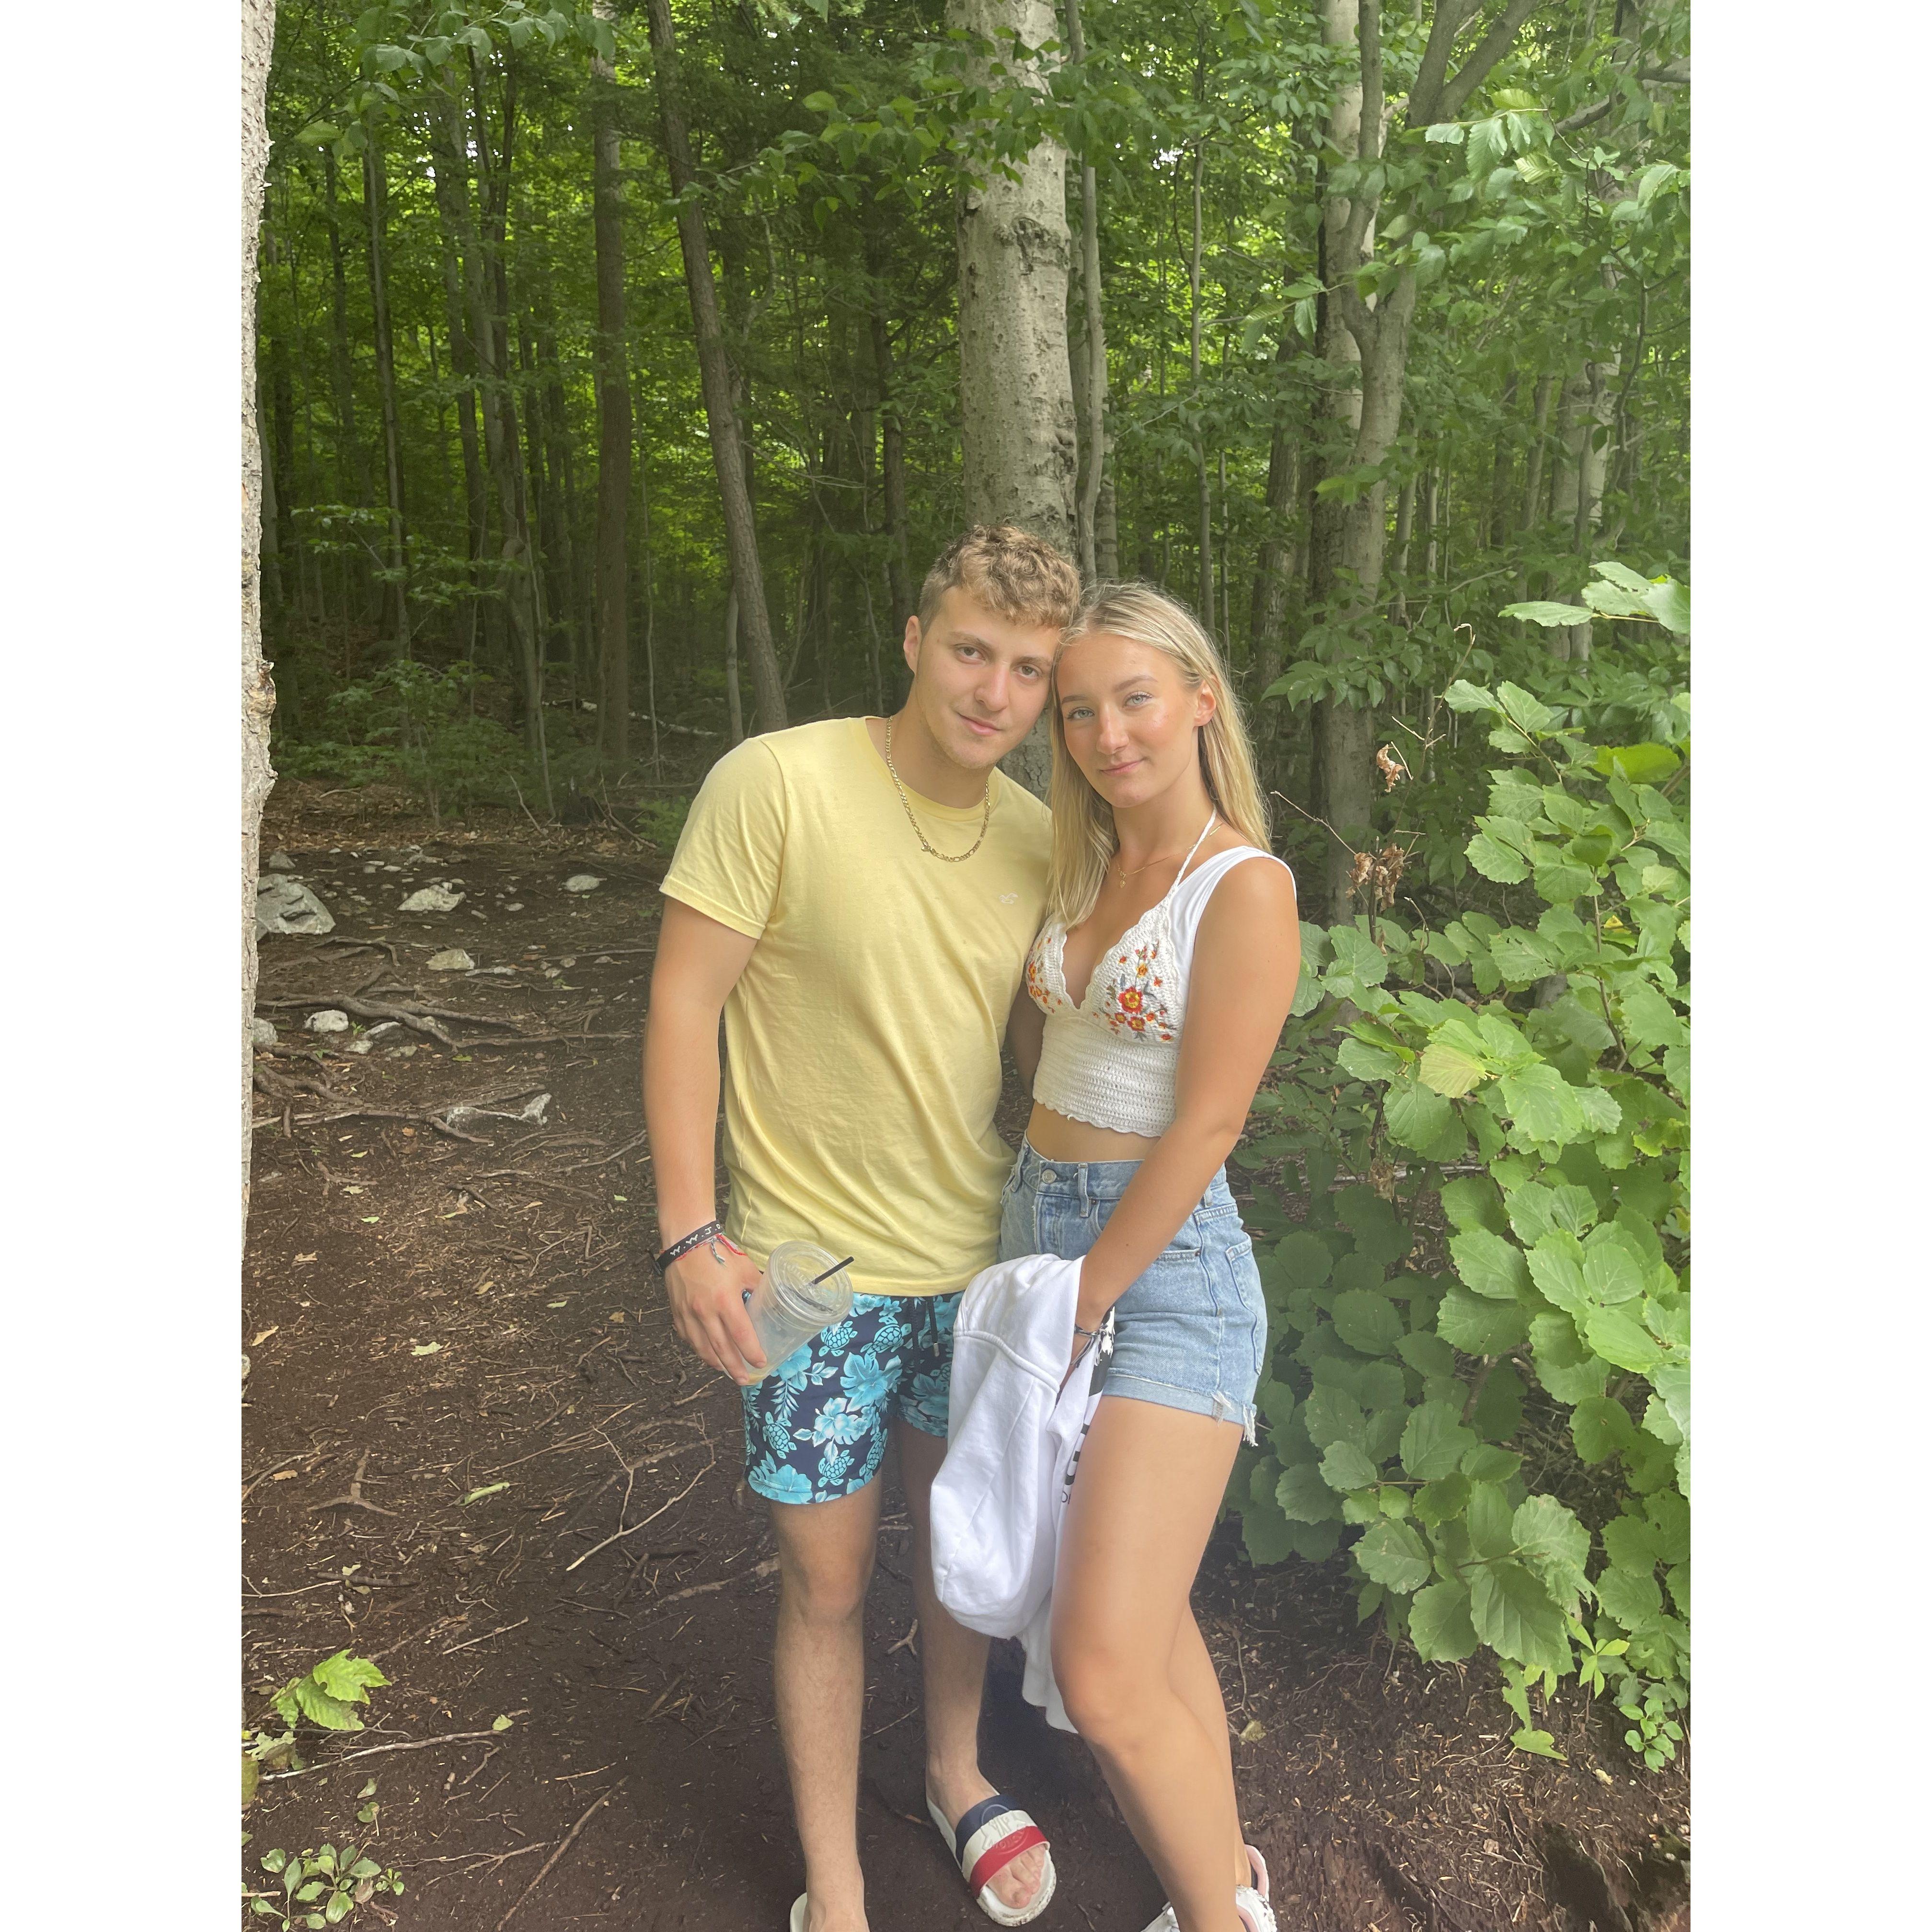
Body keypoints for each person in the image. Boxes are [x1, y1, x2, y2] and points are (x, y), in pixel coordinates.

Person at [641, 526, 1080, 1932]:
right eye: (971, 651)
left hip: (975, 1270)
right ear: (914, 639)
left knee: (959, 1549)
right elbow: (685, 1004)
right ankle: (834, 1887)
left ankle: (955, 1774)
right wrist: (688, 1232)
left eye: (1028, 670)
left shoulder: (1041, 841)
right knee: (825, 1578)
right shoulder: (776, 783)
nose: (993, 693)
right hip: (809, 1277)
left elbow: (1042, 1059)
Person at [1001, 582, 1301, 1932]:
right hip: (1041, 1237)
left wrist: (1091, 1295)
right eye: (1078, 712)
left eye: (1134, 699)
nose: (1107, 734)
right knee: (1147, 1613)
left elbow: (1211, 1122)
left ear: (1199, 701)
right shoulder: (1079, 865)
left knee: (1104, 1670)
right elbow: (1045, 1048)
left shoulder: (1244, 887)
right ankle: (1222, 1881)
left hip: (1167, 1277)